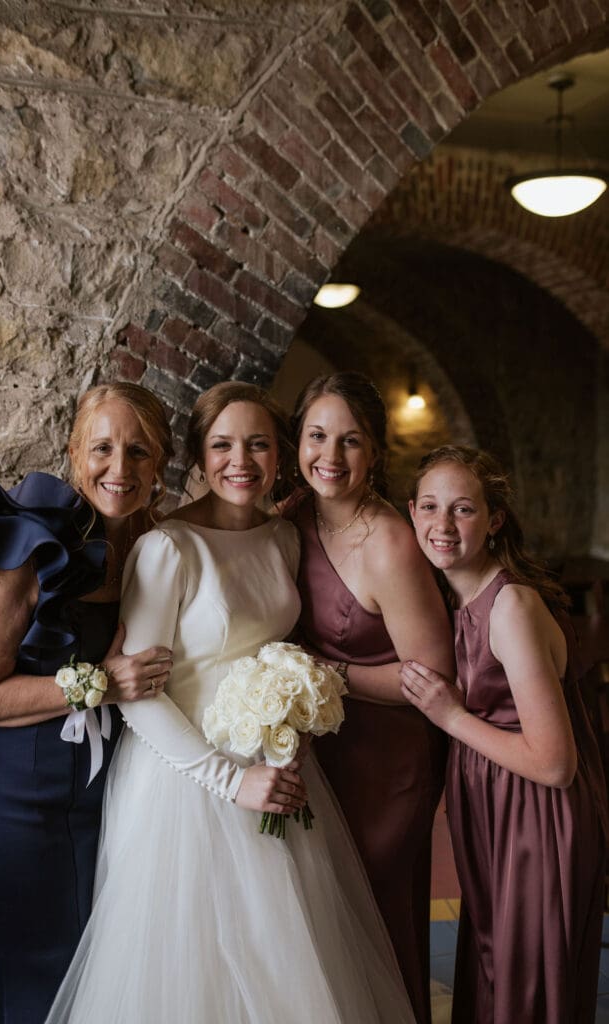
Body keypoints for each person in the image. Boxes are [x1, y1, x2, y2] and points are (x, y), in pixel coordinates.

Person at [45, 381, 416, 1024]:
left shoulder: (283, 539)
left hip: (279, 772)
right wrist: (231, 779)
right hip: (186, 786)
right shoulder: (169, 548)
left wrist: (292, 725)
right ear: (198, 455)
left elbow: (278, 649)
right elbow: (138, 698)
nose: (239, 460)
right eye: (222, 445)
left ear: (280, 456)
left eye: (258, 444)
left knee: (285, 964)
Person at [0, 382, 174, 1024]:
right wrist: (101, 683)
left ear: (162, 466)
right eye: (103, 448)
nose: (119, 469)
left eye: (140, 452)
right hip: (12, 802)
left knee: (40, 975)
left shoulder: (157, 542)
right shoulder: (35, 549)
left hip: (97, 802)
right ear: (73, 453)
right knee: (45, 973)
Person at [401, 445, 609, 1024]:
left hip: (537, 819)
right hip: (494, 811)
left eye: (463, 509)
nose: (442, 525)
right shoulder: (454, 597)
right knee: (494, 973)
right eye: (431, 507)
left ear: (493, 519)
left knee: (527, 989)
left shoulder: (511, 605)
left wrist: (451, 717)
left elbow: (554, 764)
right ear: (411, 511)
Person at [284, 371, 454, 1024]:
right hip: (321, 758)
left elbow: (431, 677)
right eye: (317, 435)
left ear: (376, 453)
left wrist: (321, 672)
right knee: (320, 922)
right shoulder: (289, 519)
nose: (331, 456)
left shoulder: (390, 543)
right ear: (296, 441)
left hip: (390, 764)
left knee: (377, 920)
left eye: (350, 441)